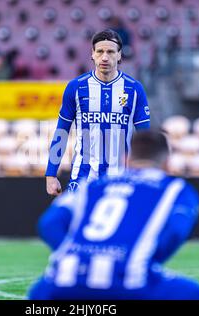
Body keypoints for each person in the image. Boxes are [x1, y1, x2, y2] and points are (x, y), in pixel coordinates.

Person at [29, 130, 199, 300]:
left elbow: (49, 223)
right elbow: (176, 230)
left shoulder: (91, 185)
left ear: (126, 159)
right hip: (131, 282)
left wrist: (76, 254)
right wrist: (141, 261)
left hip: (61, 281)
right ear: (167, 163)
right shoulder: (176, 188)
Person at [45, 29, 151, 195]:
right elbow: (61, 132)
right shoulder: (76, 87)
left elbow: (145, 137)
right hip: (83, 176)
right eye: (100, 51)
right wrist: (51, 174)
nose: (105, 57)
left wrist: (148, 174)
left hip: (122, 176)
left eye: (110, 51)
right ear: (92, 54)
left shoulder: (134, 89)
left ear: (119, 55)